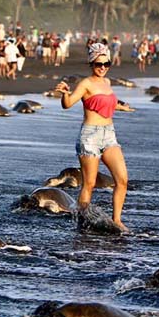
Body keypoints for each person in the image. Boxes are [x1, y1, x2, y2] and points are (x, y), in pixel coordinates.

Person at [54, 43, 130, 232]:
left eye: (106, 63)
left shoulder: (107, 82)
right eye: (99, 64)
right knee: (89, 183)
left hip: (109, 135)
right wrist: (64, 94)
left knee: (122, 180)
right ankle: (81, 221)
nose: (103, 67)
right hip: (90, 136)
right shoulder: (85, 84)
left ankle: (117, 221)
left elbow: (104, 105)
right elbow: (68, 103)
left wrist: (120, 107)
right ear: (92, 63)